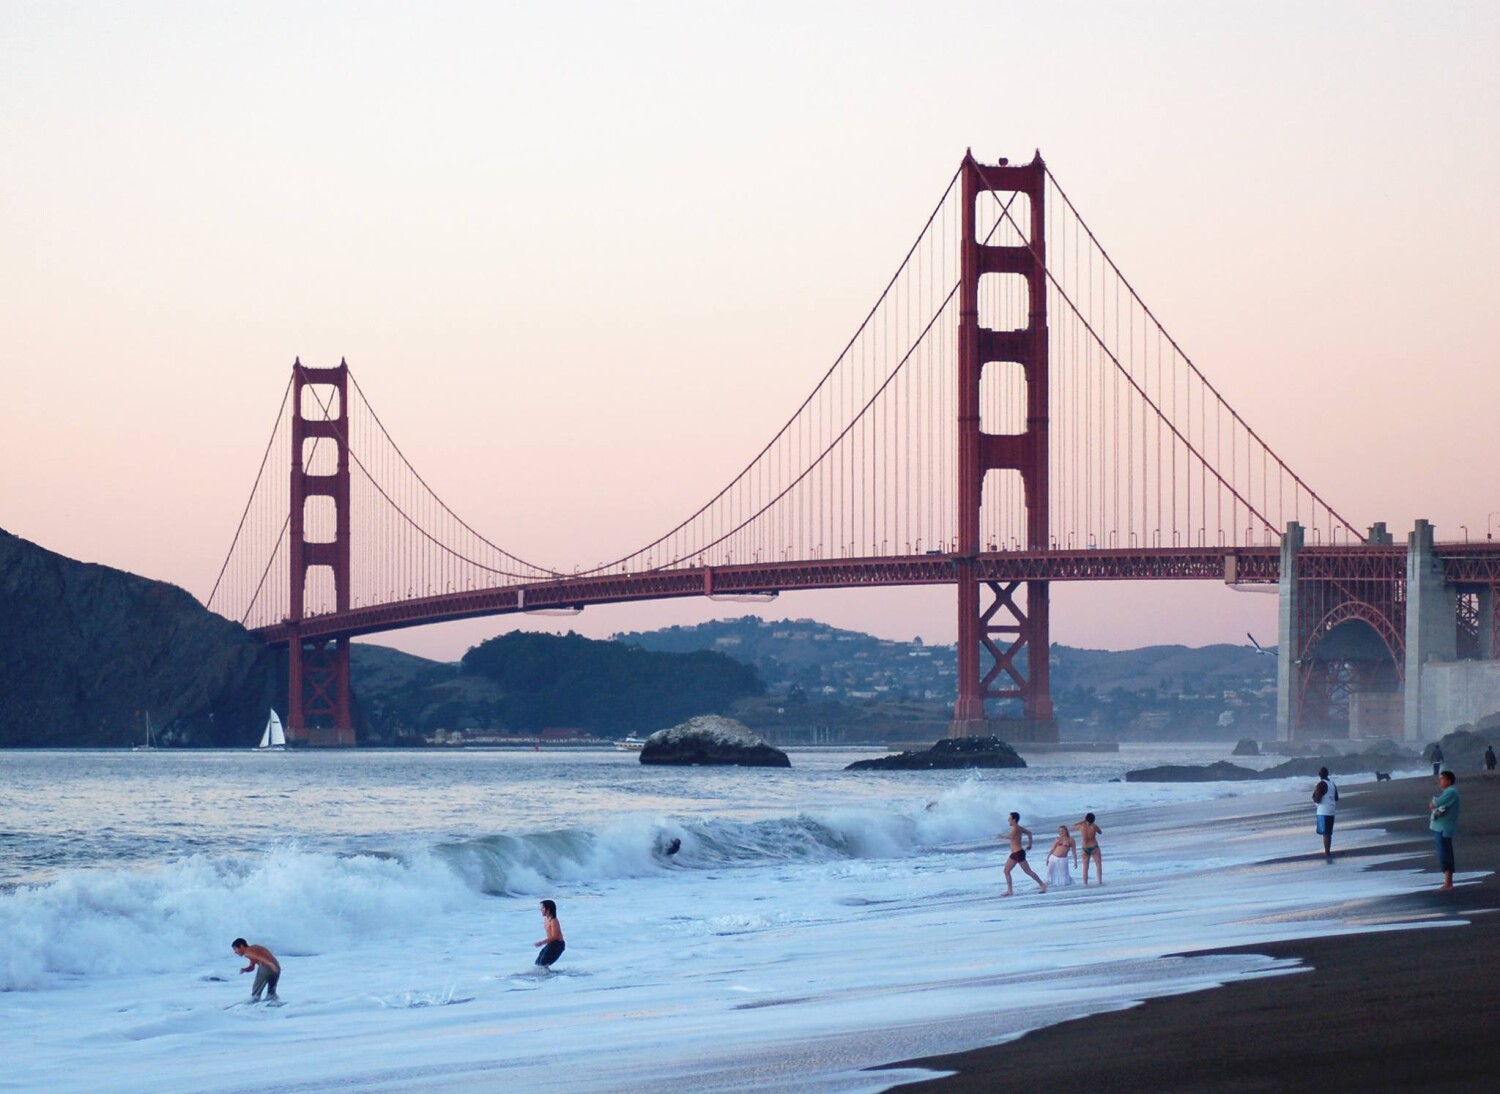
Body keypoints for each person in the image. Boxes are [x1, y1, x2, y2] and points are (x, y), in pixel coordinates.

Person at [1000, 812, 1047, 896]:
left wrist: (1002, 837)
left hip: (1018, 853)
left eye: (1009, 819)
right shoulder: (1019, 827)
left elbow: (1011, 837)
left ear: (1014, 819)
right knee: (1006, 871)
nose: (1008, 820)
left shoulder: (1015, 828)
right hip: (1015, 853)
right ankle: (1010, 890)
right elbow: (1029, 833)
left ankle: (1042, 885)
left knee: (1028, 871)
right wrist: (1029, 845)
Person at [1429, 771, 1461, 890]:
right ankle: (1447, 882)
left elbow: (1434, 804)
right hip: (1441, 827)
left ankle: (1448, 883)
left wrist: (1433, 804)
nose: (1439, 781)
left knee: (1445, 853)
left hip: (1444, 828)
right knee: (1444, 853)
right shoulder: (1448, 792)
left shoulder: (1451, 792)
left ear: (1449, 780)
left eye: (1442, 779)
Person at [1313, 765, 1339, 861]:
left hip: (1323, 810)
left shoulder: (1321, 784)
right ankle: (1328, 851)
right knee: (1329, 832)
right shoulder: (1332, 783)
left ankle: (1327, 852)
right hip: (1332, 810)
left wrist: (1314, 798)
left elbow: (1317, 799)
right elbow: (1336, 797)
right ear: (1327, 774)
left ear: (1320, 775)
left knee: (1325, 833)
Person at [1071, 813, 1104, 885]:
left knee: (1085, 867)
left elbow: (1073, 826)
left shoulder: (1081, 827)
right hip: (1094, 846)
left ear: (1086, 819)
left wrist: (1083, 821)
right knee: (1098, 865)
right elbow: (1100, 832)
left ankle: (1085, 883)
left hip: (1085, 848)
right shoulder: (1094, 826)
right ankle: (1099, 881)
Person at [534, 899, 566, 967]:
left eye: (542, 908)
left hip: (558, 944)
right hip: (551, 943)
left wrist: (542, 942)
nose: (541, 909)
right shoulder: (546, 919)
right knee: (538, 962)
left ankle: (547, 976)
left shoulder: (553, 920)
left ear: (548, 909)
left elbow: (555, 936)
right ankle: (545, 975)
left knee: (543, 962)